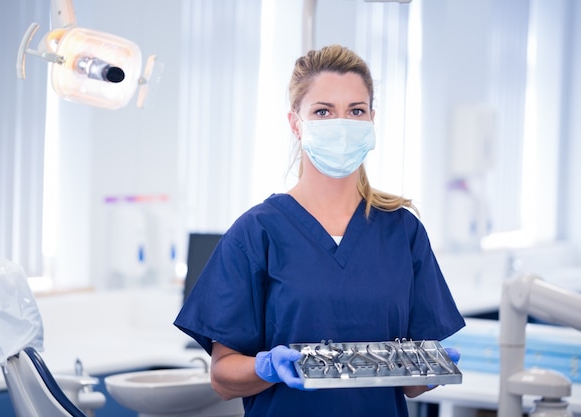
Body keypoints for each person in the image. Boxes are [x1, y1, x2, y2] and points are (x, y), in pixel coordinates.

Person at [174, 44, 465, 417]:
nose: (340, 125)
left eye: (355, 111)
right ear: (296, 122)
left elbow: (411, 386)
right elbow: (223, 377)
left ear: (372, 120)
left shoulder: (403, 232)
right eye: (323, 111)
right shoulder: (257, 232)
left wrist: (431, 367)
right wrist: (266, 367)